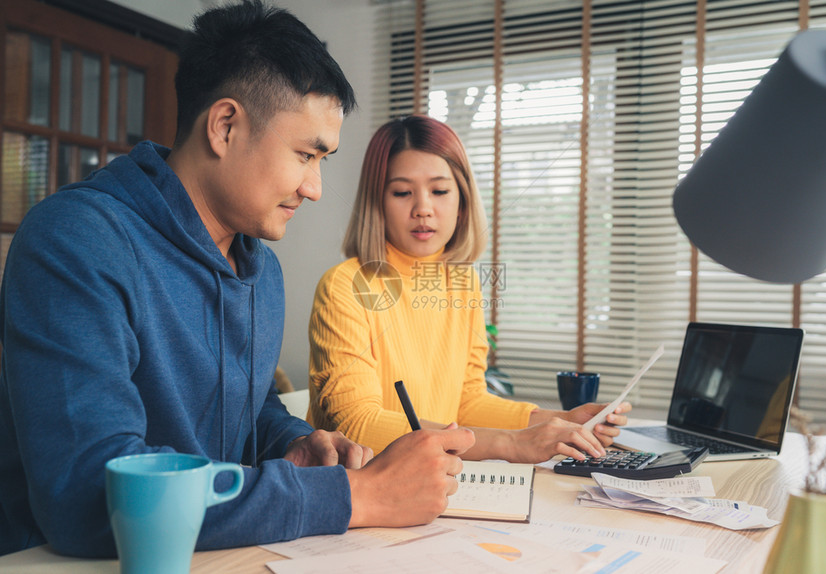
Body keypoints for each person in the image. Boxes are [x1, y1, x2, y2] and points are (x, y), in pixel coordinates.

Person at [0, 1, 474, 558]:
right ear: (225, 126)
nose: (315, 187)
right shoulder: (77, 241)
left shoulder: (258, 267)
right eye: (305, 154)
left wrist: (293, 441)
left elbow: (243, 411)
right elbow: (89, 495)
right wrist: (356, 497)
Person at [307, 115, 631, 462]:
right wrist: (512, 444)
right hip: (363, 483)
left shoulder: (462, 282)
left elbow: (468, 401)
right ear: (377, 204)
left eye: (440, 191)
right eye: (402, 192)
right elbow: (356, 424)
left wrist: (558, 420)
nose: (423, 209)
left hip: (435, 479)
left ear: (462, 202)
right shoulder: (344, 286)